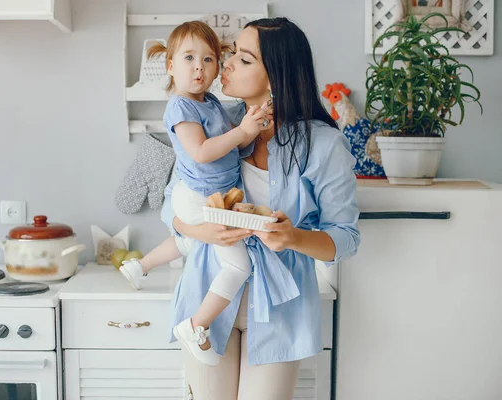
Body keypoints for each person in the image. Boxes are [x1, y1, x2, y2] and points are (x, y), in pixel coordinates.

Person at [160, 17, 360, 400]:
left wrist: (293, 237)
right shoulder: (218, 124)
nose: (227, 63)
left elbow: (347, 238)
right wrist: (198, 230)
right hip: (207, 294)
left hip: (279, 307)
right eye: (232, 52)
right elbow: (173, 201)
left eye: (244, 58)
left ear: (274, 78)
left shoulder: (323, 145)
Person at [119, 21, 270, 366]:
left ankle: (140, 267)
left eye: (208, 59)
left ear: (218, 66)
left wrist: (253, 124)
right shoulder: (180, 107)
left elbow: (237, 144)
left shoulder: (212, 102)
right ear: (171, 66)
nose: (199, 67)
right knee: (238, 265)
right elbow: (201, 151)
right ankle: (195, 325)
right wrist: (243, 131)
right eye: (189, 58)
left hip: (212, 194)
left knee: (192, 241)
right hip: (197, 195)